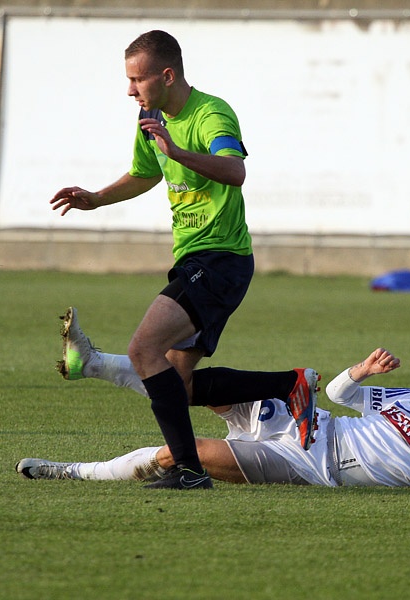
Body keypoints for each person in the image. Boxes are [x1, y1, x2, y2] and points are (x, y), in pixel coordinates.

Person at [50, 30, 319, 489]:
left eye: (137, 79)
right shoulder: (149, 115)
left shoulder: (212, 113)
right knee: (178, 382)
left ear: (167, 74)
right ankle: (290, 384)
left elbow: (235, 171)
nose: (130, 90)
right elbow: (144, 173)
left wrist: (178, 151)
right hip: (193, 257)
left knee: (143, 350)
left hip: (221, 259)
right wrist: (96, 198)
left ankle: (190, 470)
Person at [19, 345, 410, 496]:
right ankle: (91, 362)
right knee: (195, 385)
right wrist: (363, 370)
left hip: (305, 461)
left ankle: (71, 472)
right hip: (306, 418)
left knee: (181, 452)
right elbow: (346, 391)